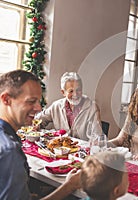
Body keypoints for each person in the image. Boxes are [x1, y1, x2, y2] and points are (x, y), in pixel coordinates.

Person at [0, 70, 81, 200]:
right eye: (31, 101)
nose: (38, 108)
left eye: (39, 101)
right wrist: (69, 186)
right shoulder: (9, 151)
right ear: (6, 99)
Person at [36, 72, 102, 141]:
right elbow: (38, 120)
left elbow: (97, 137)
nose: (75, 94)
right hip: (60, 149)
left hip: (83, 150)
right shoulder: (56, 106)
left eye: (78, 90)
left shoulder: (92, 107)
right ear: (63, 92)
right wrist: (36, 125)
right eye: (71, 91)